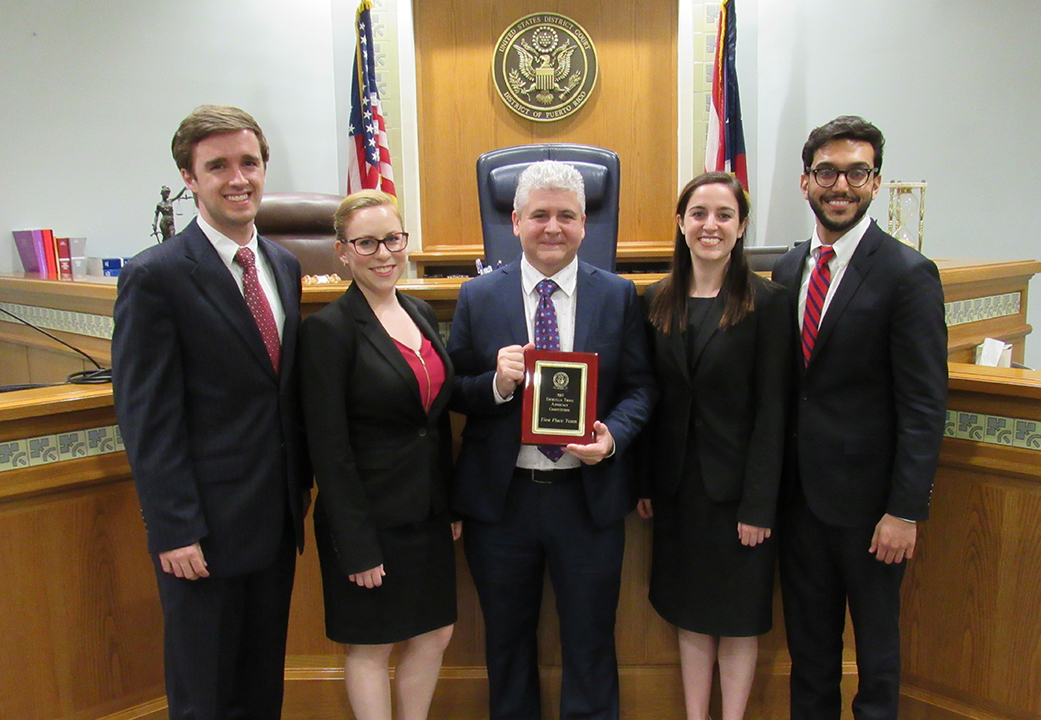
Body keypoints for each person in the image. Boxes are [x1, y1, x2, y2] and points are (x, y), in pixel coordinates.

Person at [112, 105, 310, 719]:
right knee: (204, 692)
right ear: (189, 178)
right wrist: (173, 527)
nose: (238, 178)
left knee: (261, 686)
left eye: (249, 162)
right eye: (218, 166)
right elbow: (147, 416)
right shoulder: (155, 276)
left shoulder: (283, 265)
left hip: (274, 517)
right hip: (202, 529)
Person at [447, 160, 658, 720]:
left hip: (586, 499)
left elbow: (641, 388)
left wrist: (613, 437)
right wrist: (495, 384)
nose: (553, 228)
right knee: (506, 642)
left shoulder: (618, 295)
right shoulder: (477, 296)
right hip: (503, 500)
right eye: (539, 215)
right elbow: (453, 390)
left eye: (566, 215)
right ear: (515, 221)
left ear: (586, 224)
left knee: (590, 641)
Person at [771, 116, 949, 720]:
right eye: (826, 172)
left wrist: (905, 510)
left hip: (874, 513)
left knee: (875, 662)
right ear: (805, 181)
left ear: (875, 182)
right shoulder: (789, 268)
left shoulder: (908, 273)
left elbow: (923, 404)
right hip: (799, 504)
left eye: (855, 173)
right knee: (809, 657)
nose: (839, 186)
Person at [637, 171, 791, 720]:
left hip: (739, 495)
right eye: (699, 213)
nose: (711, 225)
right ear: (681, 223)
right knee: (691, 614)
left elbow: (774, 411)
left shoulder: (767, 302)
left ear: (742, 226)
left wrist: (759, 505)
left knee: (738, 620)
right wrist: (647, 481)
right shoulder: (656, 300)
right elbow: (650, 399)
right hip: (679, 490)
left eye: (725, 215)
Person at [299, 190, 459, 720]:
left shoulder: (418, 311)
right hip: (368, 518)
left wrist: (448, 505)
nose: (384, 253)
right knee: (371, 645)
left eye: (392, 238)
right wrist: (357, 543)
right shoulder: (328, 331)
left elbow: (432, 419)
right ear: (343, 252)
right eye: (366, 243)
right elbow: (329, 448)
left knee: (435, 632)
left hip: (425, 513)